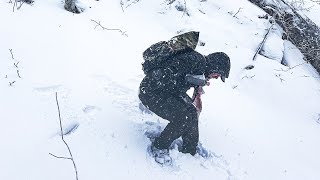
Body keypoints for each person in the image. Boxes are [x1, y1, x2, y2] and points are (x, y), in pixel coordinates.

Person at [139, 42, 231, 161]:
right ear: (215, 66)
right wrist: (188, 81)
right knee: (183, 116)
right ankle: (159, 147)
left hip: (162, 91)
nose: (217, 77)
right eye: (218, 74)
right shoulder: (196, 61)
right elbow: (166, 74)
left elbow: (179, 83)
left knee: (191, 111)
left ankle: (190, 149)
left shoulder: (199, 68)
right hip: (151, 92)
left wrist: (195, 85)